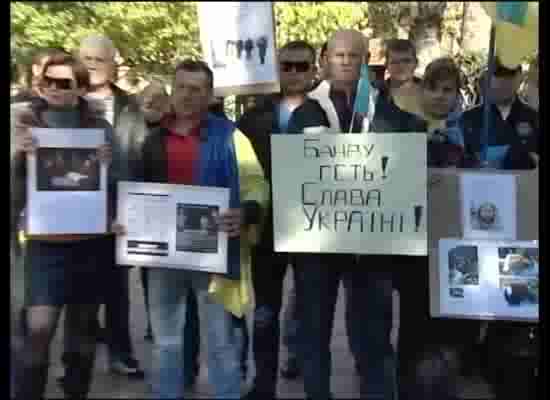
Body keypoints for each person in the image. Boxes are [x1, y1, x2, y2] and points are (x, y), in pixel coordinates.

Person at [122, 59, 267, 399]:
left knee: (221, 344)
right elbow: (135, 187)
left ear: (209, 95)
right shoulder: (151, 137)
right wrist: (125, 218)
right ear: (173, 89)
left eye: (196, 89)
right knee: (166, 344)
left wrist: (246, 211)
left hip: (213, 256)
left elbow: (256, 183)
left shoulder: (232, 136)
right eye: (182, 87)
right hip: (163, 258)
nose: (187, 96)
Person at [304, 29, 427, 400]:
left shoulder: (386, 111)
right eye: (338, 55)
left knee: (374, 340)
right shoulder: (305, 110)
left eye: (353, 55)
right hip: (317, 244)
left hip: (372, 245)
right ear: (325, 59)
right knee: (313, 337)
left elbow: (414, 138)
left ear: (365, 60)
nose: (344, 61)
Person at [11, 52, 113, 399]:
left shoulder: (99, 128)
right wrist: (16, 155)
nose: (53, 88)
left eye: (63, 83)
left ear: (81, 88)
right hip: (44, 243)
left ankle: (75, 392)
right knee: (38, 330)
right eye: (47, 81)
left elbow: (121, 181)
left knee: (83, 330)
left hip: (91, 243)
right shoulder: (22, 123)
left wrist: (107, 165)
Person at [238, 40, 329, 398]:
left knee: (312, 316)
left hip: (311, 230)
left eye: (301, 66)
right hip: (265, 231)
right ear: (277, 69)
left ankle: (316, 388)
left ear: (313, 70)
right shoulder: (252, 115)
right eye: (286, 66)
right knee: (264, 314)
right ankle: (263, 386)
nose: (293, 73)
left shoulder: (325, 115)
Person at [58, 34, 148, 381]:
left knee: (117, 291)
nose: (93, 64)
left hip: (117, 212)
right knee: (74, 291)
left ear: (113, 63)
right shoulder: (60, 101)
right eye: (86, 58)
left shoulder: (132, 106)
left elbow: (140, 151)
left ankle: (120, 353)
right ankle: (73, 364)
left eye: (100, 59)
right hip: (70, 212)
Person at [461, 57, 539, 170]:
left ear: (520, 78)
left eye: (510, 75)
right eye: (498, 75)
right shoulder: (469, 119)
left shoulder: (534, 118)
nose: (504, 80)